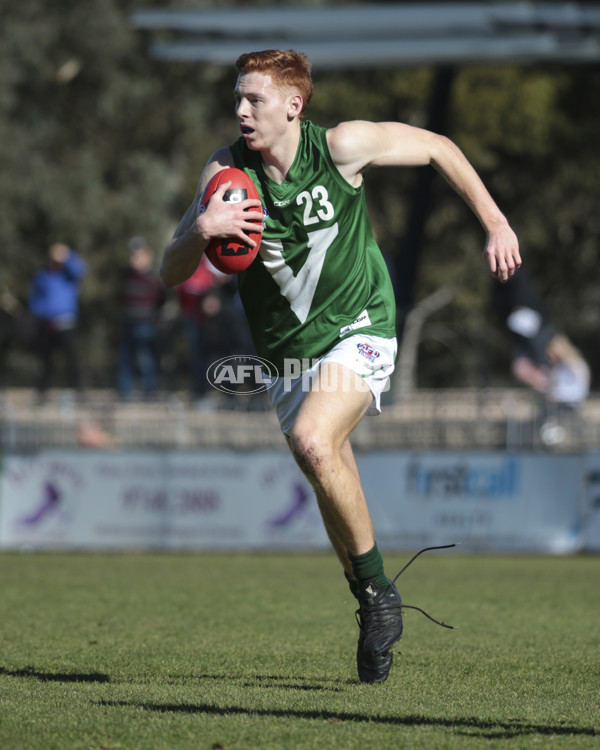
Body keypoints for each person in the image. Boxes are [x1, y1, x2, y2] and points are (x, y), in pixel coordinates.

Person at [160, 49, 521, 683]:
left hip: (361, 326)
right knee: (322, 460)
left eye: (255, 100)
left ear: (294, 106)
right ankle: (370, 599)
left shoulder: (344, 146)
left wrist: (494, 221)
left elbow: (439, 146)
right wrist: (201, 227)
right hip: (287, 355)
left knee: (312, 439)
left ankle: (380, 599)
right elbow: (169, 272)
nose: (241, 110)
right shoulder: (224, 173)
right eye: (238, 98)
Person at [28, 242, 87, 404]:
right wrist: (38, 315)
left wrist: (67, 255)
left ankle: (79, 392)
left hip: (66, 322)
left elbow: (81, 270)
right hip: (47, 324)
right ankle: (41, 394)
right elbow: (35, 299)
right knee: (45, 361)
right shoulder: (42, 275)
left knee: (72, 360)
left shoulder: (69, 274)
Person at [117, 237, 166, 400]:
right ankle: (125, 394)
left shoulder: (154, 278)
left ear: (147, 256)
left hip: (146, 324)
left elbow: (161, 300)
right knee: (126, 359)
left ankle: (149, 393)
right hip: (128, 322)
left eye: (138, 254)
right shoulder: (126, 276)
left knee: (146, 360)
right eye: (133, 255)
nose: (135, 258)